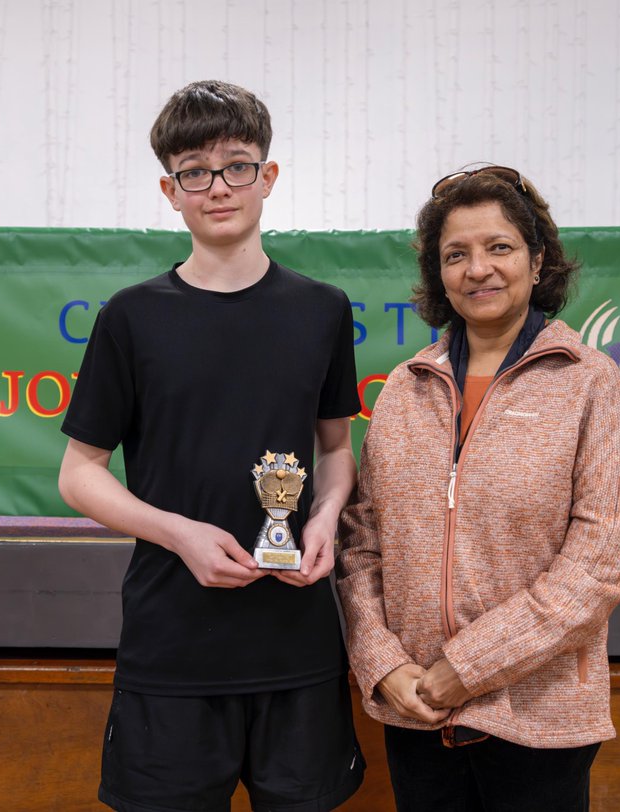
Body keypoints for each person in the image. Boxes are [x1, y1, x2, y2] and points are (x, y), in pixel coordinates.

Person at [58, 80, 365, 812]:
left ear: (269, 177)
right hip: (174, 647)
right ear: (170, 190)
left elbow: (334, 452)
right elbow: (79, 474)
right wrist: (179, 534)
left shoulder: (322, 311)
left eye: (236, 164)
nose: (217, 186)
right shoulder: (131, 318)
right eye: (194, 171)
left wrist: (323, 522)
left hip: (296, 643)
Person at [335, 165, 620, 811]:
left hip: (540, 722)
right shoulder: (403, 389)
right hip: (417, 712)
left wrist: (466, 668)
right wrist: (382, 664)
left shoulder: (591, 383)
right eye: (456, 254)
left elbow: (598, 568)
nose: (478, 269)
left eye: (499, 247)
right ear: (439, 276)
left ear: (537, 262)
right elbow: (361, 543)